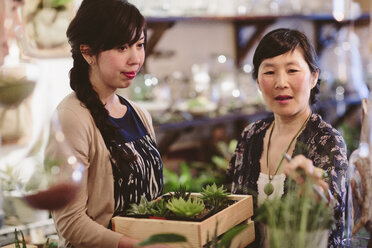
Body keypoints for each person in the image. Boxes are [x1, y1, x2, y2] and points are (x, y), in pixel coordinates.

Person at [46, 0, 165, 247]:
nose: (135, 59)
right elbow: (70, 222)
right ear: (88, 52)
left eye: (139, 45)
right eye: (122, 47)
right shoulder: (72, 117)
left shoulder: (140, 114)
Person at [227, 28, 347, 248]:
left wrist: (313, 190)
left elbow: (330, 208)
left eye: (292, 70)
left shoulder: (328, 141)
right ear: (257, 81)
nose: (280, 82)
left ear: (313, 77)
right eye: (269, 72)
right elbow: (231, 207)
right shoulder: (250, 135)